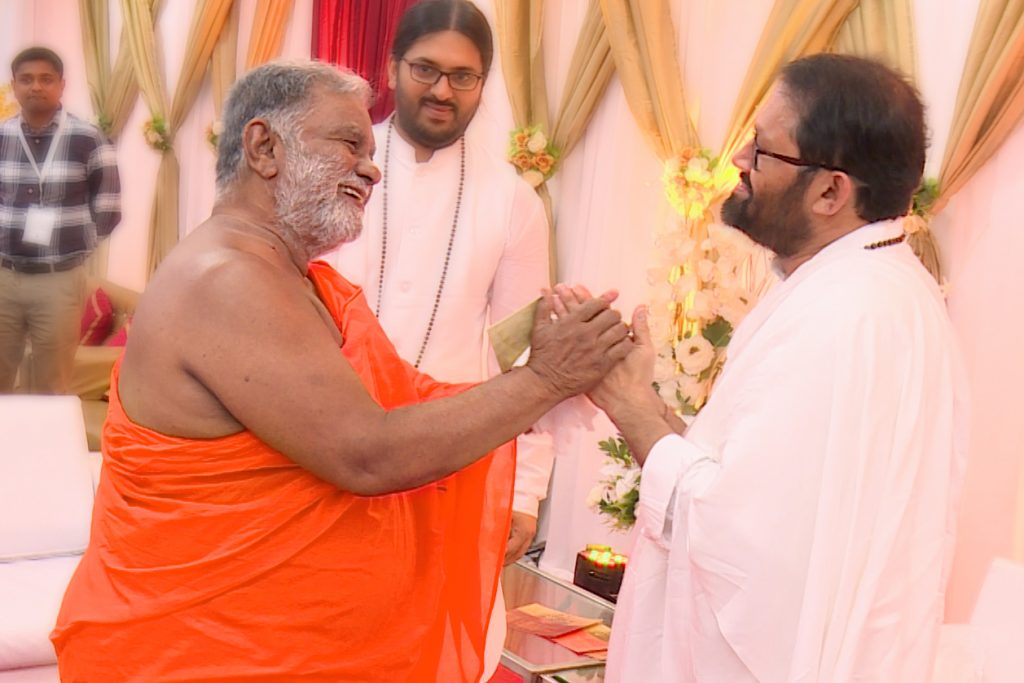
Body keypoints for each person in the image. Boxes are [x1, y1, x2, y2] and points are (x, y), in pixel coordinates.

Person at [51, 61, 629, 682]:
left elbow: (405, 401)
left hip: (278, 647)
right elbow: (368, 453)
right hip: (201, 653)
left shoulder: (304, 284)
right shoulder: (225, 280)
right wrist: (543, 381)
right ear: (264, 147)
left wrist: (547, 368)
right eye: (349, 143)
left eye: (371, 151)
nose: (372, 168)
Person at [585, 54, 969, 682]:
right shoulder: (864, 286)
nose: (737, 160)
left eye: (762, 150)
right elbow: (743, 484)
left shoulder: (845, 316)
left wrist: (627, 405)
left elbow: (731, 539)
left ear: (830, 191)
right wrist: (644, 397)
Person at [324, 3, 553, 675]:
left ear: (485, 83)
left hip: (448, 457)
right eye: (426, 69)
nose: (443, 90)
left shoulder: (512, 201)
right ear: (393, 67)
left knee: (430, 646)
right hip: (322, 438)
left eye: (463, 75)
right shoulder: (338, 164)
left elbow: (526, 357)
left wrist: (525, 490)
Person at [0, 46, 121, 394]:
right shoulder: (3, 136)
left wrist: (73, 245)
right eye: (26, 79)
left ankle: (43, 448)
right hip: (4, 277)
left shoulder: (88, 138)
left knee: (52, 381)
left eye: (45, 79)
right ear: (14, 86)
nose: (35, 87)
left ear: (61, 85)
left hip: (59, 281)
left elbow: (108, 205)